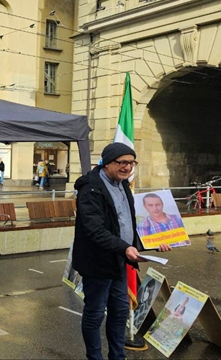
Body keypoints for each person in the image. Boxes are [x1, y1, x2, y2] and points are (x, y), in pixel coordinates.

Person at [72, 143, 171, 360]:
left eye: (131, 162)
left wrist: (154, 242)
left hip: (119, 261)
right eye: (122, 162)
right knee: (95, 314)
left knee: (119, 313)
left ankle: (117, 356)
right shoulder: (91, 188)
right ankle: (95, 357)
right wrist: (125, 248)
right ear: (107, 163)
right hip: (97, 262)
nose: (127, 167)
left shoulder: (123, 185)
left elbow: (126, 224)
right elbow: (95, 230)